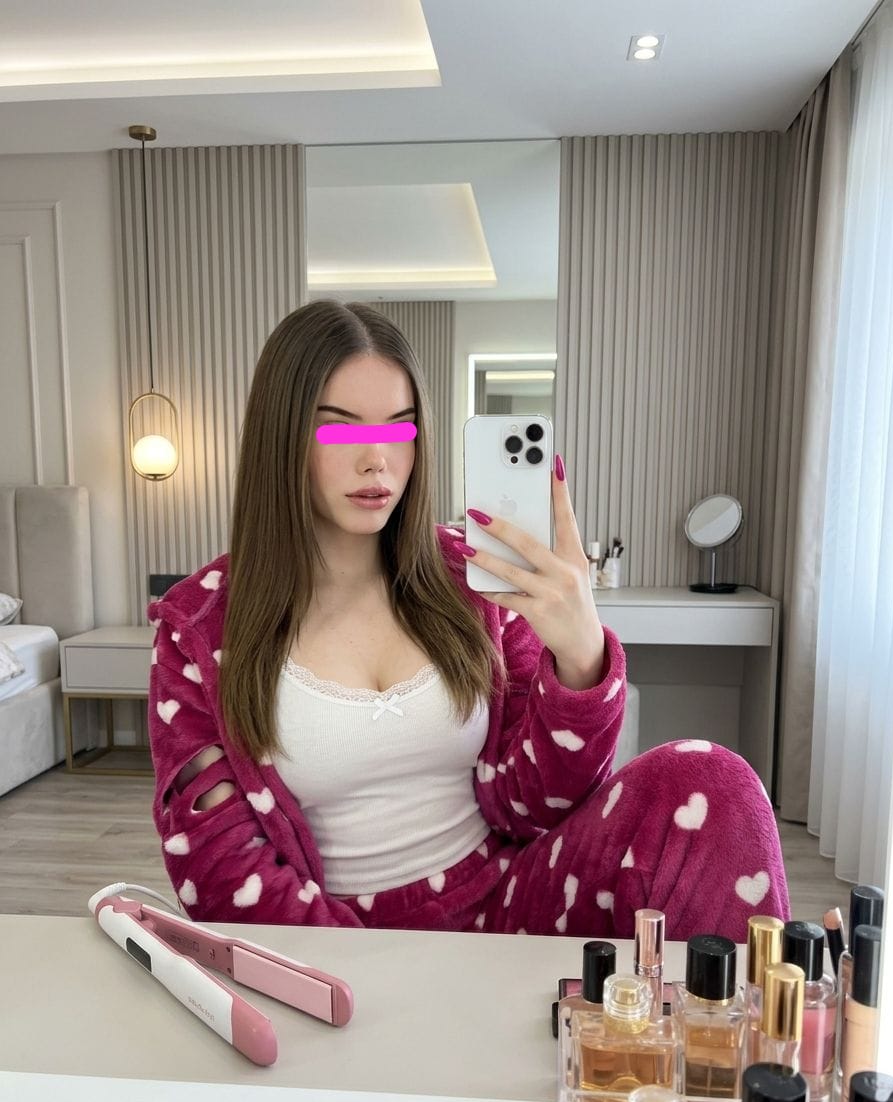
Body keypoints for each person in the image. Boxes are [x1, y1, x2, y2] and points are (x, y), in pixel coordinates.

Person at [147, 300, 790, 940]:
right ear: (281, 437)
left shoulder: (471, 574)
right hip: (332, 947)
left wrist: (580, 660)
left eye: (400, 430)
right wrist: (369, 974)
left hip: (509, 907)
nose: (377, 459)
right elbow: (222, 870)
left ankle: (754, 1011)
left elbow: (536, 805)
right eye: (339, 431)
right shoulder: (198, 626)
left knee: (715, 781)